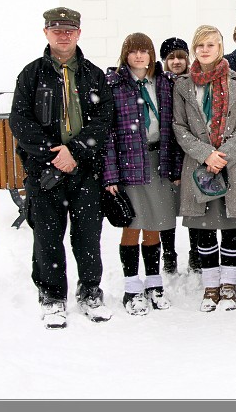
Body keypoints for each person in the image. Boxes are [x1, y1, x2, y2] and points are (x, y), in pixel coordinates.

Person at [10, 6, 115, 329]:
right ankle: (52, 297)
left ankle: (90, 291)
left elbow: (103, 120)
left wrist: (76, 151)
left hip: (85, 169)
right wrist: (54, 154)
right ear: (46, 33)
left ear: (79, 33)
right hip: (45, 171)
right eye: (57, 30)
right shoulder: (31, 74)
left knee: (88, 236)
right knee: (47, 236)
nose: (64, 35)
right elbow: (20, 122)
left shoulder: (93, 75)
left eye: (69, 30)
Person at [172, 25, 236, 312]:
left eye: (210, 45)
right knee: (206, 228)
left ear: (220, 47)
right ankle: (210, 285)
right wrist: (206, 154)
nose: (205, 50)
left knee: (232, 227)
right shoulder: (183, 84)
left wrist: (223, 155)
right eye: (200, 45)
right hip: (200, 164)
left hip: (232, 164)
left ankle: (229, 285)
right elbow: (179, 126)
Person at [103, 33, 182, 316]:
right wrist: (110, 175)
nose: (139, 56)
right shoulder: (113, 85)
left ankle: (154, 283)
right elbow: (108, 134)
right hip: (129, 161)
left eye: (144, 51)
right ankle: (132, 287)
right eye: (133, 51)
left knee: (155, 222)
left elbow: (175, 127)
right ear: (125, 55)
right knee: (133, 223)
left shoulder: (164, 83)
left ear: (151, 55)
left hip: (158, 159)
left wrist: (175, 167)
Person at [158, 36, 197, 274]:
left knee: (193, 207)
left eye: (181, 57)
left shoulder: (194, 81)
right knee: (166, 209)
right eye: (171, 57)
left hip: (190, 149)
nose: (176, 61)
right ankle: (169, 253)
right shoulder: (160, 83)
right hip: (165, 147)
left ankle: (196, 252)